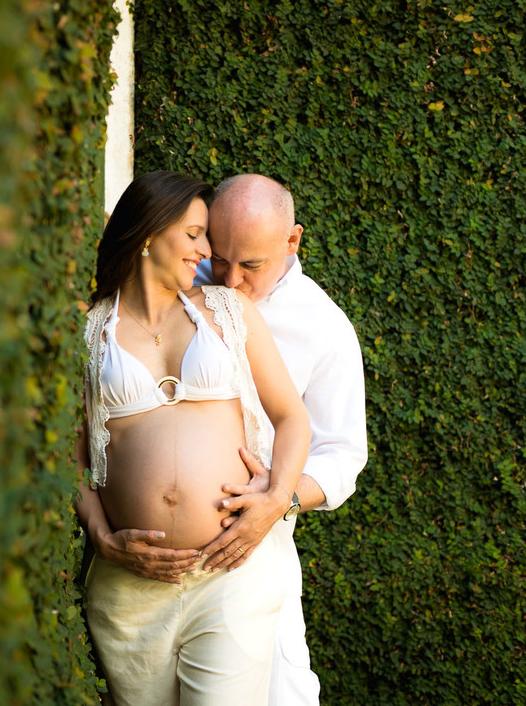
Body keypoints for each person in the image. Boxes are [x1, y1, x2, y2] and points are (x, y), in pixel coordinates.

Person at [108, 173, 367, 705]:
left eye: (250, 266)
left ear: (292, 242)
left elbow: (344, 454)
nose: (228, 278)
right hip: (146, 581)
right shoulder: (184, 278)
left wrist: (279, 500)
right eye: (219, 257)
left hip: (248, 550)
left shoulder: (325, 328)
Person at [75, 170, 311, 705]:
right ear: (147, 234)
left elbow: (293, 418)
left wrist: (276, 499)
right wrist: (102, 539)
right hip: (132, 590)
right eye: (195, 234)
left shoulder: (229, 313)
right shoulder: (88, 333)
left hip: (230, 574)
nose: (207, 251)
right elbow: (68, 459)